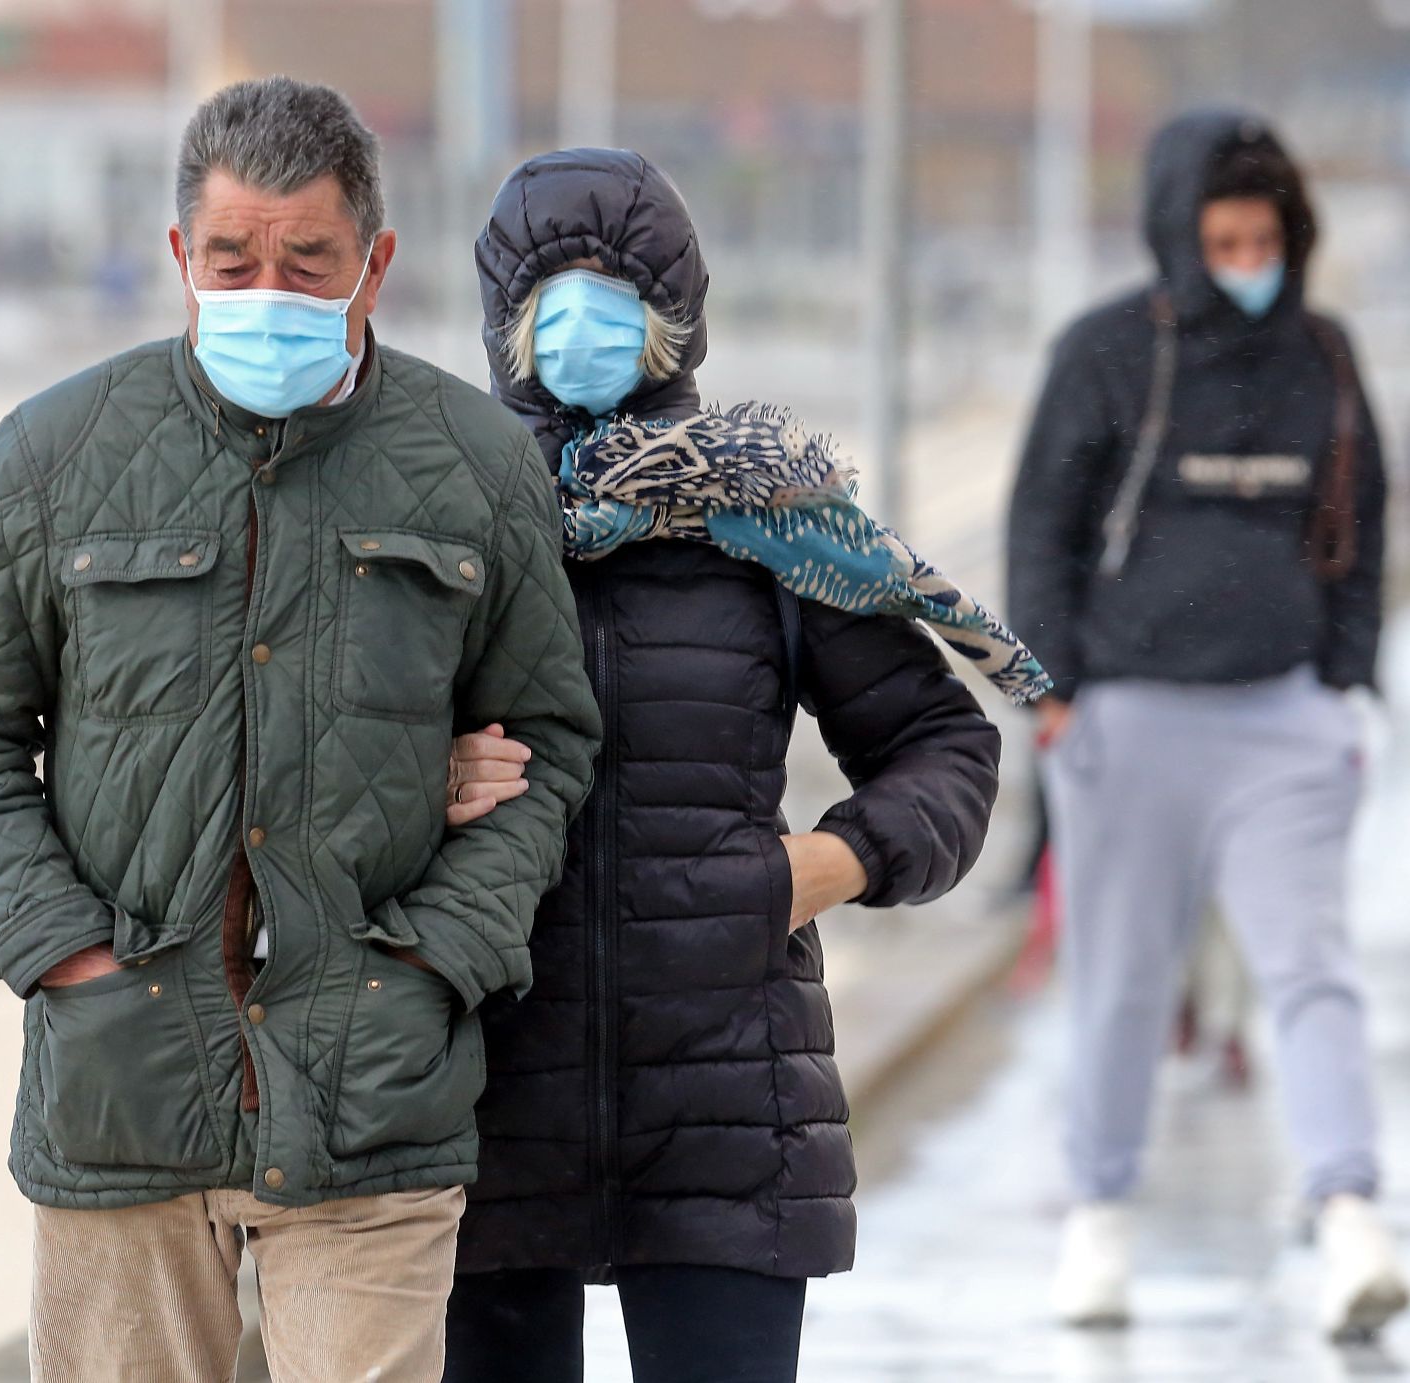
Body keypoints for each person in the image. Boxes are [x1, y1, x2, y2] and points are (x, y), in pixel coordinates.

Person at [0, 77, 601, 1382]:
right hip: (120, 1096)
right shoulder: (52, 455)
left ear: (374, 263)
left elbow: (548, 740)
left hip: (377, 1087)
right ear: (179, 258)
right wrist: (66, 960)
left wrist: (437, 959)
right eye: (232, 258)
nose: (265, 286)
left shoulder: (477, 463)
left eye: (306, 259)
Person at [442, 148, 1008, 1383]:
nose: (582, 321)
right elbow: (313, 757)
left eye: (617, 289)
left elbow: (945, 743)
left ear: (674, 318)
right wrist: (417, 783)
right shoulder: (437, 521)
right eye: (552, 292)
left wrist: (835, 861)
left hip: (730, 1106)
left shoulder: (763, 518)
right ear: (504, 316)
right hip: (479, 1093)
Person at [1007, 108, 1406, 1338]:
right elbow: (1042, 530)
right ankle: (1100, 1223)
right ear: (1178, 236)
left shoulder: (1326, 356)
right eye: (1224, 239)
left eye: (1265, 237)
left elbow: (1366, 523)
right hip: (1129, 724)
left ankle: (1350, 1219)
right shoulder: (1105, 352)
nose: (1247, 260)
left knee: (1312, 973)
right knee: (1123, 985)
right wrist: (1055, 697)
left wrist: (1346, 688)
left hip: (1285, 721)